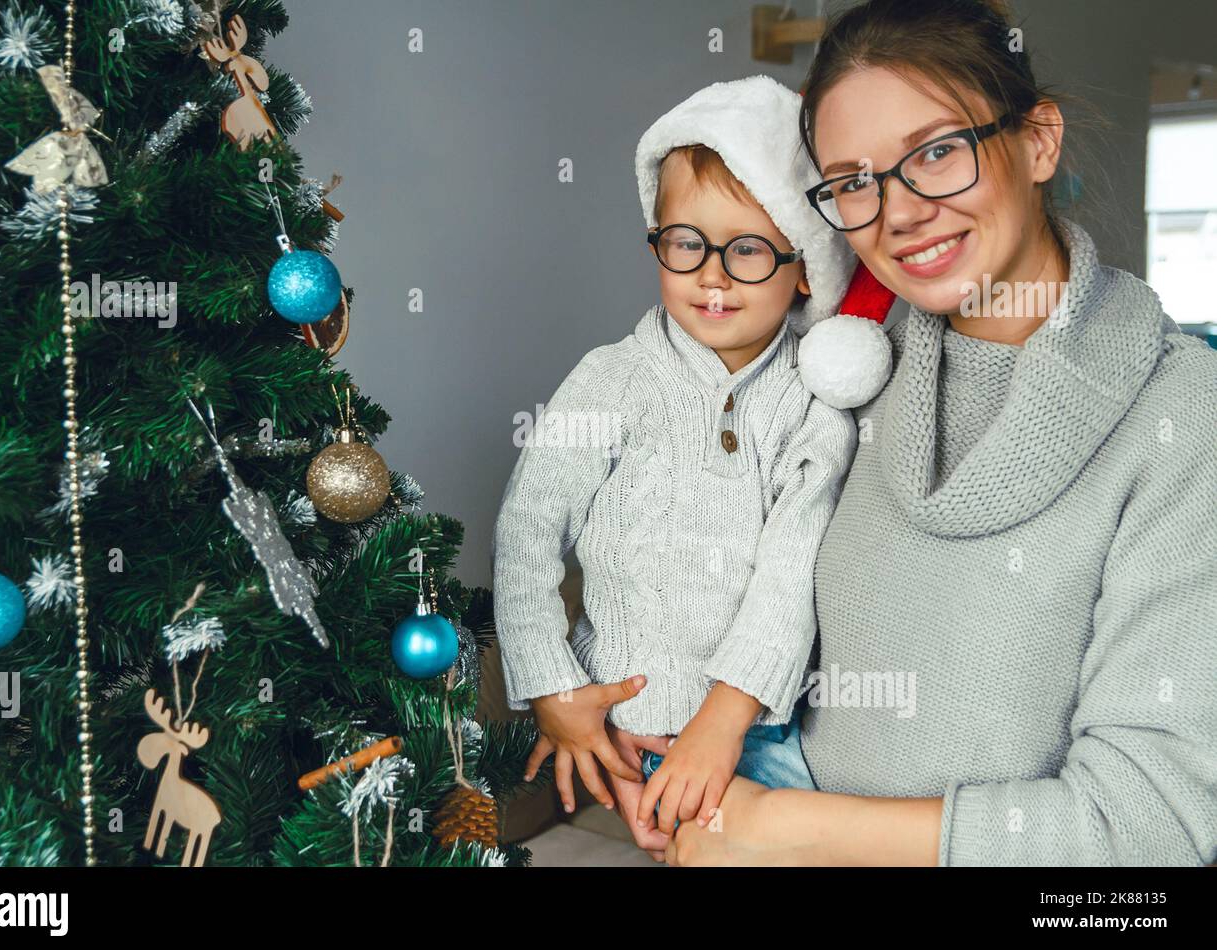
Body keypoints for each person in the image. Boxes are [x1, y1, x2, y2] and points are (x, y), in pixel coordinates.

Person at [666, 0, 1217, 866]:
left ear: (1038, 140)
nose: (899, 211)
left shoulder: (1184, 417)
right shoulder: (835, 374)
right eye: (853, 181)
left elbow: (1152, 832)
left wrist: (780, 829)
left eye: (934, 152)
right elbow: (699, 589)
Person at [491, 75, 891, 859]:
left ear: (804, 265)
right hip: (620, 721)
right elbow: (529, 525)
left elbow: (790, 572)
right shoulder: (610, 377)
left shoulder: (814, 406)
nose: (711, 275)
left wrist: (722, 720)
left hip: (757, 731)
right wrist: (553, 687)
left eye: (745, 250)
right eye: (685, 243)